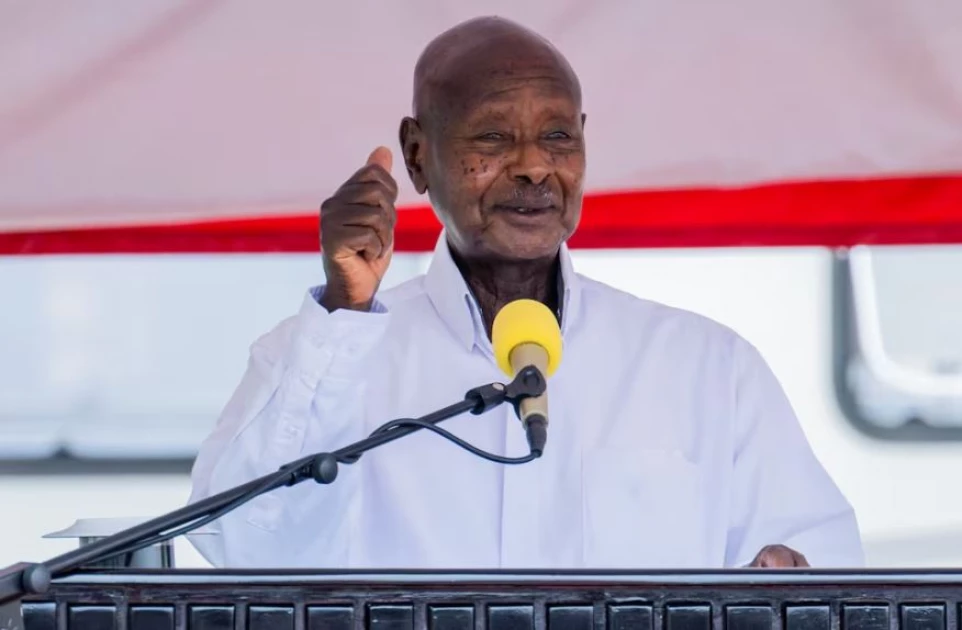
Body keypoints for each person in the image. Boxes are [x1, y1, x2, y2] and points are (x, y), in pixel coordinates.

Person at [188, 16, 864, 569]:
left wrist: (792, 576)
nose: (535, 167)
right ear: (418, 155)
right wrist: (345, 313)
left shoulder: (707, 367)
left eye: (557, 137)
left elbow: (821, 568)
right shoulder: (324, 351)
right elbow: (247, 548)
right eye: (493, 136)